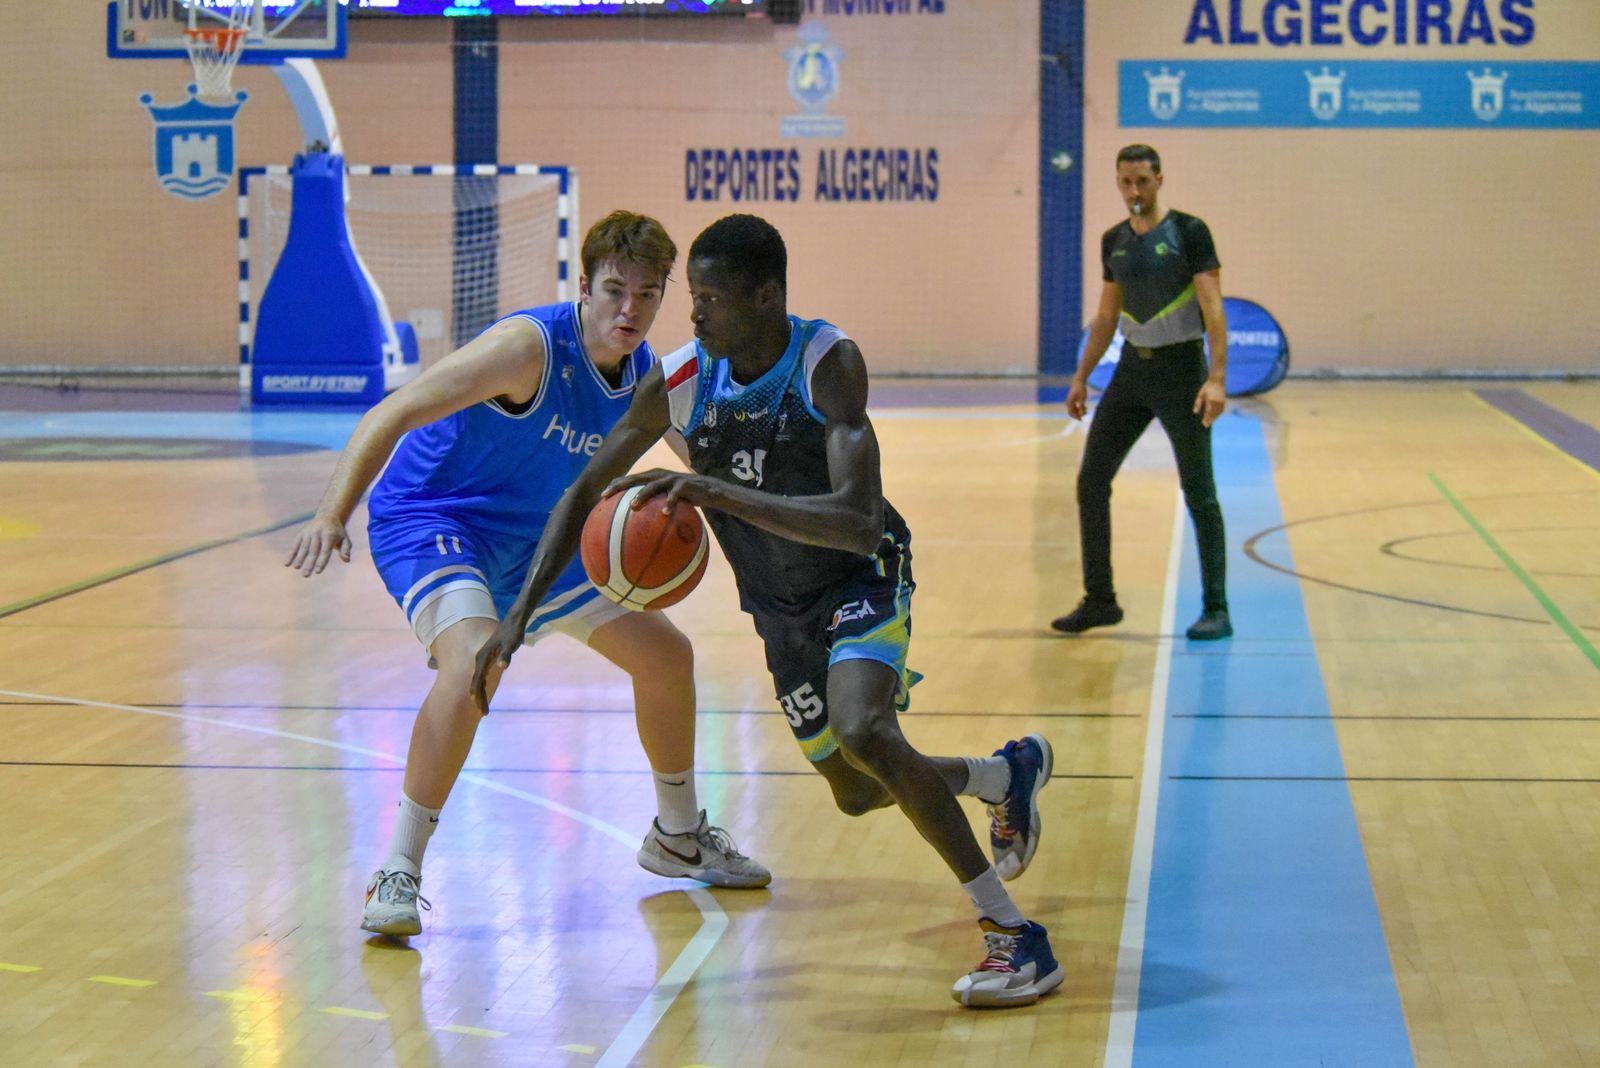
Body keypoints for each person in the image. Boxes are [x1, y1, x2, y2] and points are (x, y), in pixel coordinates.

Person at [472, 214, 1063, 1009]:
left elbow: (857, 519)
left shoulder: (827, 363)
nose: (694, 313)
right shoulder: (680, 382)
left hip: (859, 578)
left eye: (711, 298)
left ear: (767, 296)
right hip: (779, 612)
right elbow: (583, 492)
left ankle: (1013, 933)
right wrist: (518, 615)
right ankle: (1001, 774)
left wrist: (714, 492)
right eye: (693, 295)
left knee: (865, 730)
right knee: (857, 789)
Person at [284, 210, 772, 939]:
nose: (629, 310)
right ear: (585, 286)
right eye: (615, 291)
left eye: (647, 294)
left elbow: (707, 471)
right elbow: (394, 411)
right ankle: (398, 868)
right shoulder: (526, 350)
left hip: (544, 537)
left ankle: (677, 835)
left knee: (666, 656)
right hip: (437, 519)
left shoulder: (647, 376)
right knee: (475, 663)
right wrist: (331, 513)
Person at [1055, 144, 1233, 641]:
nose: (1134, 190)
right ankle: (1100, 600)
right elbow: (1107, 315)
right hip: (1131, 373)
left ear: (1159, 181)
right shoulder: (1114, 240)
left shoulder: (1190, 232)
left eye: (1143, 181)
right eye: (1126, 182)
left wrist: (1217, 378)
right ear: (1118, 183)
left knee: (1199, 492)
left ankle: (1217, 608)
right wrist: (1081, 376)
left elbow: (1213, 308)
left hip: (1182, 373)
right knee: (1092, 481)